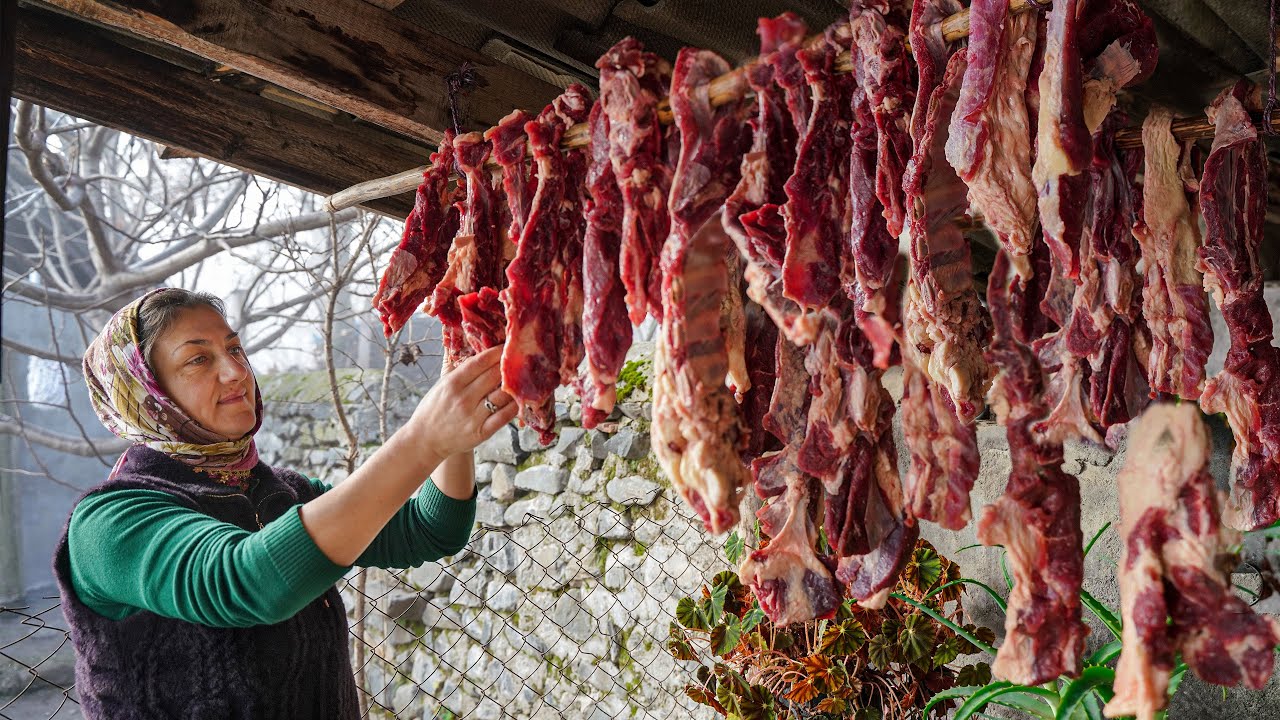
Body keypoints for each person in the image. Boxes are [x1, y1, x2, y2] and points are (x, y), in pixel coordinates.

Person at [53, 287, 517, 719]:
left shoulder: (278, 491)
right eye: (198, 359)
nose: (236, 372)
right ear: (144, 395)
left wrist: (459, 429)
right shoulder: (109, 522)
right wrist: (422, 442)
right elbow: (245, 582)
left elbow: (429, 529)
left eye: (234, 349)